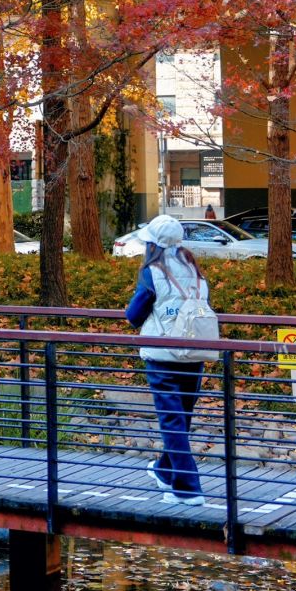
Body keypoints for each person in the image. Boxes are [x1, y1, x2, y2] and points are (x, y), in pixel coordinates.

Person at [125, 214, 211, 506]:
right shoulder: (194, 269)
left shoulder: (152, 272)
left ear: (153, 244)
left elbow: (134, 316)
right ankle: (164, 470)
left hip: (163, 355)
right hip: (194, 352)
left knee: (172, 420)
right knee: (181, 418)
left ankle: (187, 488)